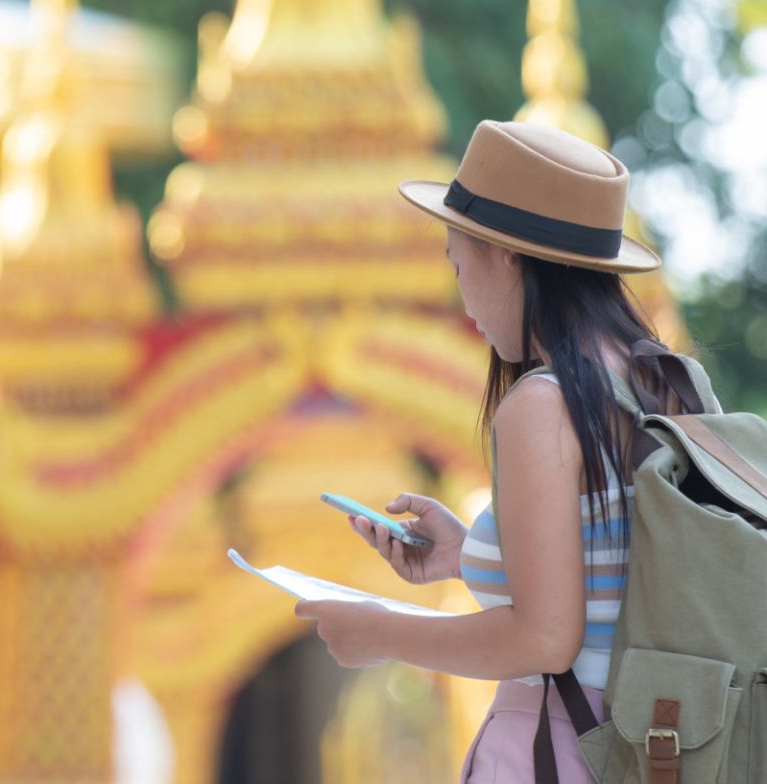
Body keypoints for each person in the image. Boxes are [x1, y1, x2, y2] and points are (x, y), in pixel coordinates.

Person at [294, 119, 698, 784]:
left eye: (458, 263)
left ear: (506, 254)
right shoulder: (665, 380)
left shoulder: (544, 402)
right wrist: (469, 556)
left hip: (564, 749)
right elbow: (615, 577)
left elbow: (546, 639)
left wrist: (378, 634)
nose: (464, 298)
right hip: (656, 748)